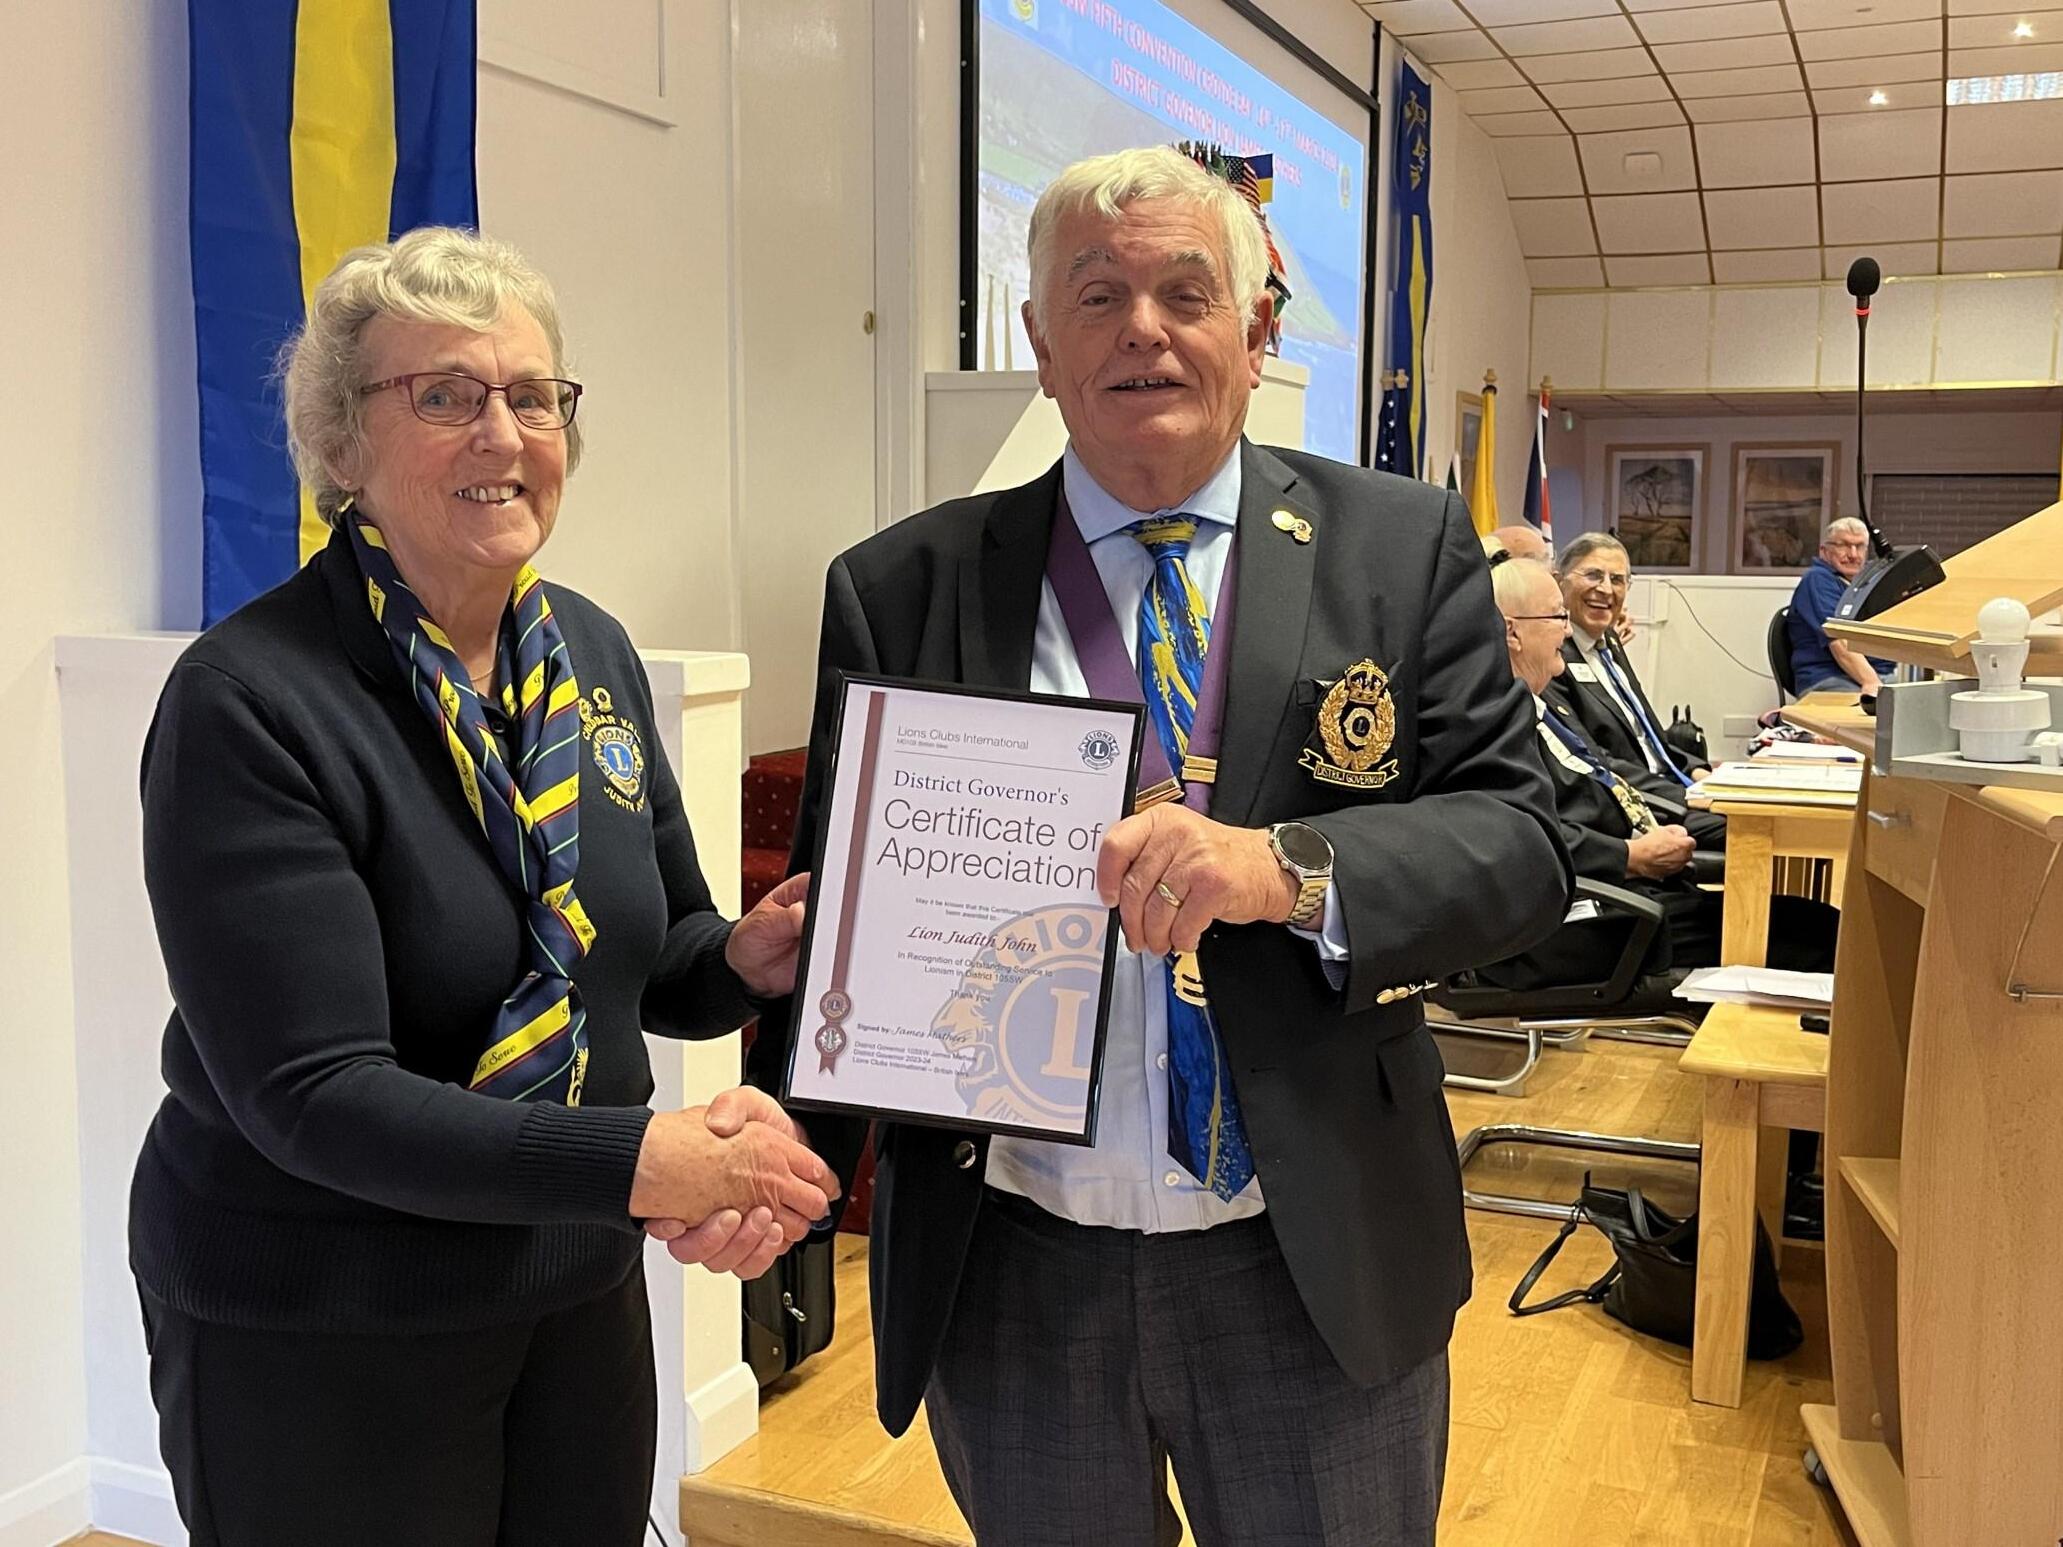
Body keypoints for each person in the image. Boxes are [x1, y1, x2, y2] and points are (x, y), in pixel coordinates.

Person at [728, 147, 1571, 1546]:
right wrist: (785, 1166)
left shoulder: (1398, 546)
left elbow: (1519, 843)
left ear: (1256, 331)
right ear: (1039, 342)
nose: (1142, 329)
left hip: (1310, 1256)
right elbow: (849, 932)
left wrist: (1286, 870)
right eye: (1096, 295)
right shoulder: (901, 585)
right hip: (1014, 1273)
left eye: (1186, 293)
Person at [132, 227, 836, 1547]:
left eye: (532, 395)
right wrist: (650, 1158)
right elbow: (313, 1093)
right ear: (341, 445)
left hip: (565, 1284)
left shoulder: (587, 653)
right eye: (446, 395)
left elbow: (654, 951)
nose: (502, 433)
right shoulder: (249, 701)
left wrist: (747, 957)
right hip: (325, 1313)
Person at [1497, 557, 1831, 973]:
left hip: (1625, 888)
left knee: (1811, 920)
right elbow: (1519, 835)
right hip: (1580, 917)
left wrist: (1650, 831)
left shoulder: (1536, 705)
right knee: (1818, 934)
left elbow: (1597, 776)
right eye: (1556, 617)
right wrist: (1629, 854)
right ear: (1512, 632)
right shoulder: (1495, 723)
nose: (1566, 631)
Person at [1551, 532, 1713, 784]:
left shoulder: (1608, 641)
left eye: (1617, 579)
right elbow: (1592, 760)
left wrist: (1699, 773)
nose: (1606, 589)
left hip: (1664, 782)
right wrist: (1685, 794)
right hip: (1632, 794)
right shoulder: (1552, 655)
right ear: (1559, 582)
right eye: (1593, 575)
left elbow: (1650, 737)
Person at [1788, 516, 1895, 695]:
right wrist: (1871, 683)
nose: (1853, 554)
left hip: (1877, 674)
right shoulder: (1817, 579)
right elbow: (1838, 641)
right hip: (1831, 677)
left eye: (1859, 546)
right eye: (1843, 545)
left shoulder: (1865, 582)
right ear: (1824, 551)